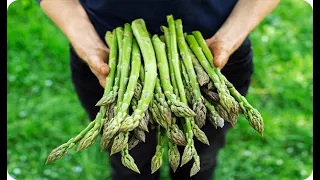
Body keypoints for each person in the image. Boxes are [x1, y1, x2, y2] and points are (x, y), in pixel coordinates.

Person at [38, 0, 280, 179]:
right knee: (130, 167)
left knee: (199, 161)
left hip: (211, 59)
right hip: (110, 60)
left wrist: (228, 39)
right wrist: (88, 45)